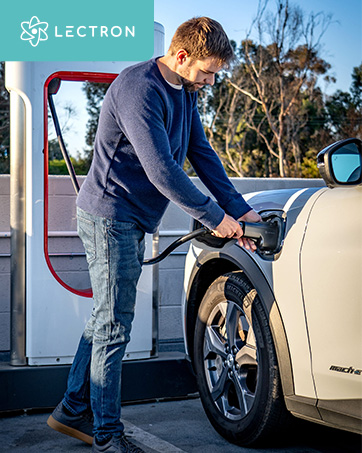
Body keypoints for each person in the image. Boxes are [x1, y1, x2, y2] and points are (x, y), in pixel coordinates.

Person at [47, 16, 261, 453]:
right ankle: (106, 436)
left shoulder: (185, 91)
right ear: (181, 57)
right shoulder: (138, 88)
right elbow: (161, 169)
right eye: (208, 70)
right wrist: (213, 216)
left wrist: (240, 209)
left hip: (130, 218)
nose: (212, 80)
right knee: (114, 325)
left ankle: (71, 409)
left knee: (105, 317)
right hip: (110, 215)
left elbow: (202, 155)